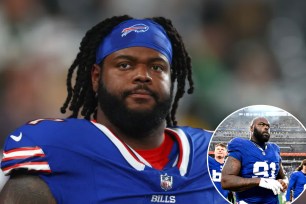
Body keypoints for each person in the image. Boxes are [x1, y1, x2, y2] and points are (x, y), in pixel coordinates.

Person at [0, 15, 227, 204]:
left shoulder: (214, 156)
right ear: (97, 77)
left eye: (157, 67)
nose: (142, 76)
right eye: (124, 65)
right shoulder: (57, 149)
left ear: (172, 79)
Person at [221, 116, 288, 204]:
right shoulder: (241, 145)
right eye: (261, 124)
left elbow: (282, 177)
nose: (266, 127)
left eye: (268, 126)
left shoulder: (274, 149)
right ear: (251, 128)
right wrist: (259, 181)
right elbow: (226, 181)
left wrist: (283, 182)